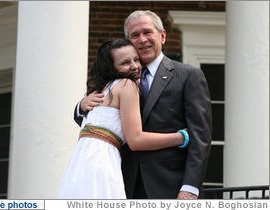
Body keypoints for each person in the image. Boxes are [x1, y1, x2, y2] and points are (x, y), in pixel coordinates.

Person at [75, 10, 212, 199]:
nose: (142, 39)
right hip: (122, 181)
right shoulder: (115, 77)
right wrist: (80, 107)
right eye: (135, 35)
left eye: (147, 32)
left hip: (170, 184)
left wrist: (190, 187)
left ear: (162, 36)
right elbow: (100, 122)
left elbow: (200, 137)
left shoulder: (188, 76)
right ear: (128, 41)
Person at [59, 39, 189, 199]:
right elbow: (135, 140)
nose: (134, 66)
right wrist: (181, 137)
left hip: (79, 161)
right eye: (125, 63)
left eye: (136, 59)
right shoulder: (127, 84)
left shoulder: (104, 88)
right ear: (111, 68)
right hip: (102, 161)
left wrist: (80, 106)